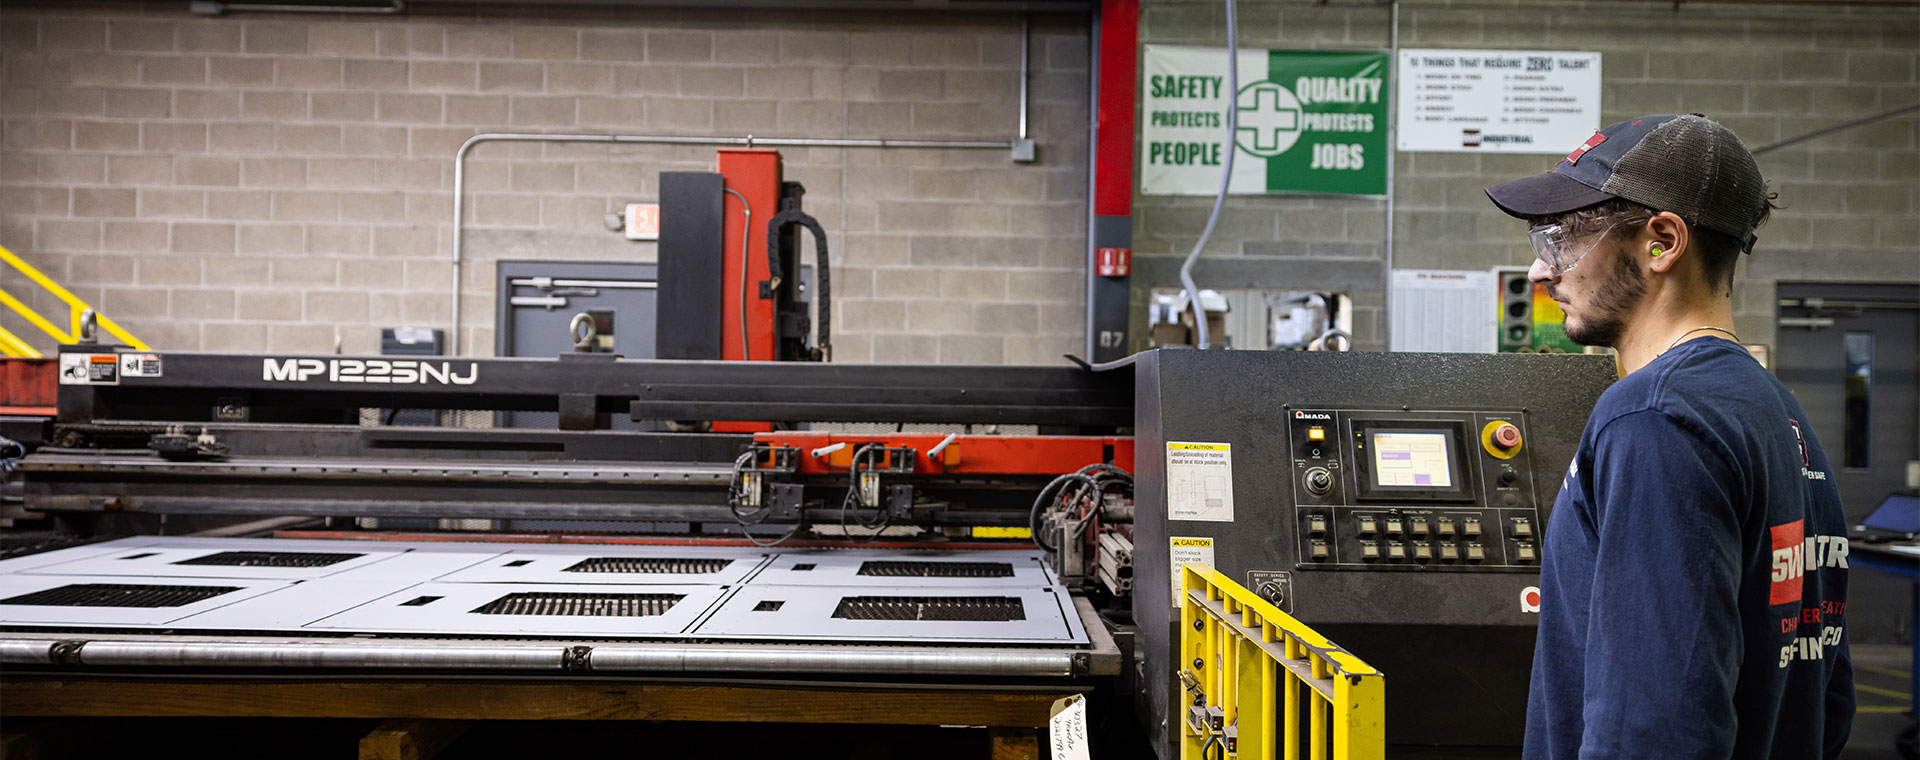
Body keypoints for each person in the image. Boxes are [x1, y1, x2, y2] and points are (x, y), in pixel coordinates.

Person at [1485, 114, 1854, 758]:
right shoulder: (1776, 411)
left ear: (1661, 241)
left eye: (1561, 238)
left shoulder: (1653, 418)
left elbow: (1652, 728)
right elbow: (1828, 697)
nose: (1541, 272)